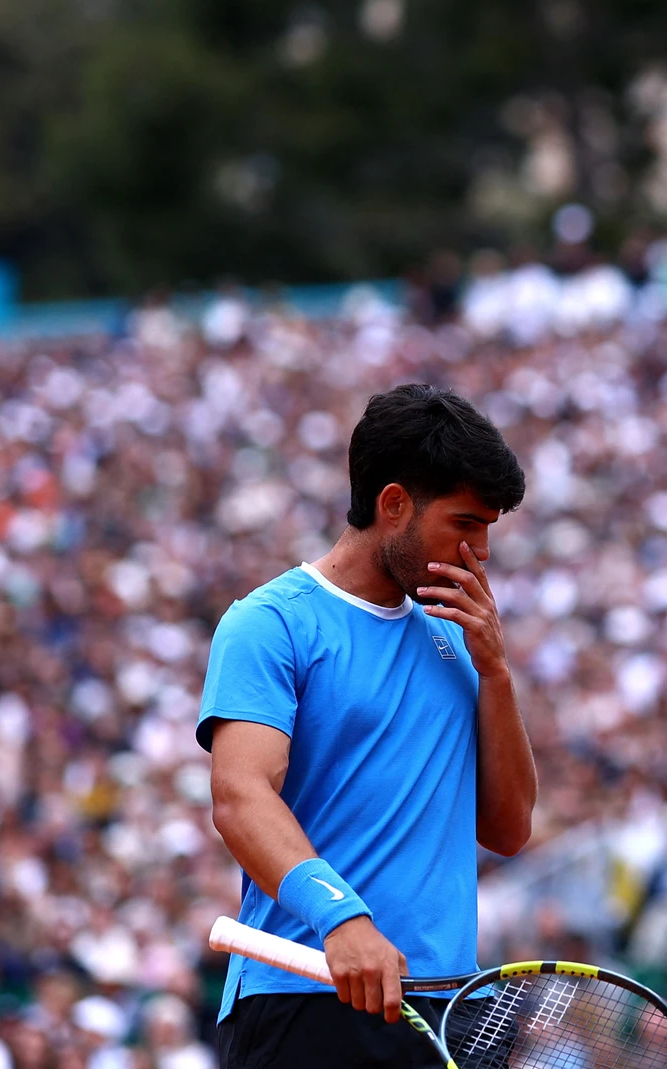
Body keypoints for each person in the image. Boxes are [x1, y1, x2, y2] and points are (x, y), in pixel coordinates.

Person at [199, 384, 536, 1068]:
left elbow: (508, 828)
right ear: (393, 505)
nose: (481, 551)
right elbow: (240, 797)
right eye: (466, 523)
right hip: (306, 988)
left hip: (444, 1008)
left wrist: (496, 673)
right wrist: (341, 917)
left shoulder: (459, 641)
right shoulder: (269, 623)